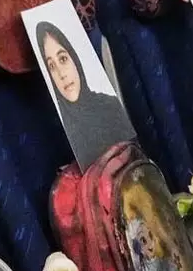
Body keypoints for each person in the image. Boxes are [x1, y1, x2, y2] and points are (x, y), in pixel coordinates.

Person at [36, 20, 136, 168]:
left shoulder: (109, 105)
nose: (61, 74)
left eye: (63, 59)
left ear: (74, 59)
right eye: (51, 66)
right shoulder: (53, 133)